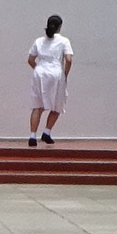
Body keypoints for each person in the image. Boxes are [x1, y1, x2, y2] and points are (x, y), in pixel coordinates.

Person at [25, 12, 74, 146]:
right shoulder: (64, 41)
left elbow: (30, 59)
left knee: (37, 106)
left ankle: (32, 136)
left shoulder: (39, 41)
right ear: (60, 27)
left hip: (39, 72)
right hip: (56, 72)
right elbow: (69, 59)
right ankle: (47, 131)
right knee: (58, 104)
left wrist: (38, 69)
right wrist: (65, 74)